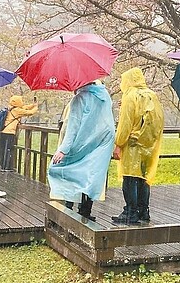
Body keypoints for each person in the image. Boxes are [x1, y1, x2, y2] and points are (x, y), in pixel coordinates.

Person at [48, 81, 115, 221]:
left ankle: (68, 206)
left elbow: (72, 127)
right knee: (91, 175)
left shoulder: (79, 99)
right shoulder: (104, 95)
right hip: (100, 144)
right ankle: (85, 211)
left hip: (80, 144)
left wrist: (63, 150)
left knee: (70, 171)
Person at [112, 68, 164, 224]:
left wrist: (118, 144)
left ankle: (130, 212)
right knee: (143, 178)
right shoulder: (151, 95)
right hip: (149, 145)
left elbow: (125, 123)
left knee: (130, 178)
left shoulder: (130, 96)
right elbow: (158, 119)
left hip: (132, 144)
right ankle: (143, 211)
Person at [0, 95, 38, 173]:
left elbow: (24, 107)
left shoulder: (10, 108)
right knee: (8, 149)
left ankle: (2, 166)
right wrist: (36, 107)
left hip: (2, 131)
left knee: (3, 149)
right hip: (10, 132)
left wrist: (33, 105)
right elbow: (30, 112)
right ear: (18, 102)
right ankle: (6, 167)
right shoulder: (17, 111)